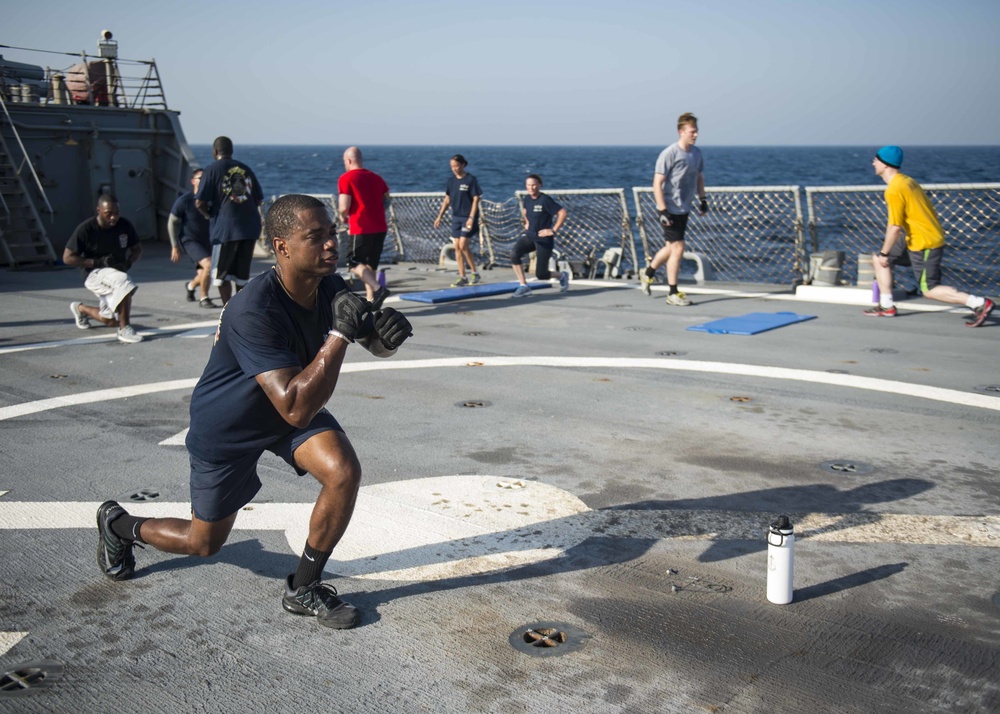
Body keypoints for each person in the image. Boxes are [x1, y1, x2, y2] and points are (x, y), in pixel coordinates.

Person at [94, 194, 413, 630]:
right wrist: (339, 333)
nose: (329, 245)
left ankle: (304, 588)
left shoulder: (329, 284)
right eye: (314, 237)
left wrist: (386, 338)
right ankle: (119, 525)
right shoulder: (253, 309)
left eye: (331, 234)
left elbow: (369, 341)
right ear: (282, 247)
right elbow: (299, 406)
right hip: (231, 425)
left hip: (288, 405)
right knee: (202, 542)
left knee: (342, 471)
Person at [866, 145, 994, 327]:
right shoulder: (907, 181)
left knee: (929, 289)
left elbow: (894, 227)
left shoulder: (894, 189)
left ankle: (979, 303)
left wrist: (886, 253)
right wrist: (884, 255)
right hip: (917, 236)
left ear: (885, 165)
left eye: (876, 159)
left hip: (924, 242)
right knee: (878, 259)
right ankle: (886, 306)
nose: (873, 163)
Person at [640, 112, 708, 306]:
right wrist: (662, 210)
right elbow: (657, 182)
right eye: (692, 132)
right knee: (678, 247)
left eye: (696, 132)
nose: (695, 135)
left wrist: (702, 199)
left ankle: (648, 274)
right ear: (681, 132)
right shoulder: (669, 153)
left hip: (684, 207)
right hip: (669, 207)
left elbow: (699, 177)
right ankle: (672, 292)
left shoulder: (696, 153)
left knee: (671, 247)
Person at [64, 194, 144, 344]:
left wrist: (128, 263)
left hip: (114, 273)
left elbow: (137, 249)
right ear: (99, 210)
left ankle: (80, 309)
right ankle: (124, 329)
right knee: (124, 282)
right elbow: (67, 258)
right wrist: (97, 262)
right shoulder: (86, 229)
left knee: (110, 320)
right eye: (109, 213)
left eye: (117, 213)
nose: (113, 217)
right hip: (93, 273)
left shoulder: (124, 225)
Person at [195, 136, 264, 306]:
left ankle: (228, 311)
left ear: (215, 151)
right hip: (249, 228)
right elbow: (259, 199)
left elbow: (199, 202)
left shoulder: (212, 169)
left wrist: (209, 215)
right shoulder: (245, 169)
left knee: (221, 275)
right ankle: (242, 311)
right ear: (231, 151)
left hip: (225, 229)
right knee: (241, 277)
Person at [338, 146, 391, 309]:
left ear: (348, 160)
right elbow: (387, 200)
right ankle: (371, 300)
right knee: (370, 265)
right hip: (380, 226)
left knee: (353, 262)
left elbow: (343, 205)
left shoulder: (346, 178)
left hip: (360, 226)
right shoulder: (377, 178)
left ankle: (378, 289)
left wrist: (342, 217)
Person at [509, 174, 570, 298]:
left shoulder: (545, 200)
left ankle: (562, 276)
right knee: (514, 253)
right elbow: (526, 211)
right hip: (530, 236)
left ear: (540, 185)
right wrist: (526, 223)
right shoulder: (527, 199)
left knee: (541, 274)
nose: (531, 188)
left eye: (534, 185)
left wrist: (553, 230)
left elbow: (562, 213)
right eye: (528, 185)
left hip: (544, 239)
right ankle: (524, 285)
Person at [169, 168, 217, 308]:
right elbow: (172, 222)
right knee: (208, 265)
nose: (203, 182)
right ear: (193, 181)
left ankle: (190, 286)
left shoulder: (212, 199)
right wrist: (174, 246)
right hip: (190, 241)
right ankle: (204, 298)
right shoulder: (184, 201)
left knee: (203, 272)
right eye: (200, 178)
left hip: (208, 240)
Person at [433, 154, 482, 287]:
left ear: (462, 165)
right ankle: (463, 276)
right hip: (456, 217)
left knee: (463, 245)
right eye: (452, 167)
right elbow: (447, 199)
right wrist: (439, 216)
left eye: (456, 166)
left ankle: (474, 272)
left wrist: (471, 217)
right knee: (457, 247)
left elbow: (476, 199)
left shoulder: (471, 180)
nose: (454, 169)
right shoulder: (451, 181)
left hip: (468, 217)